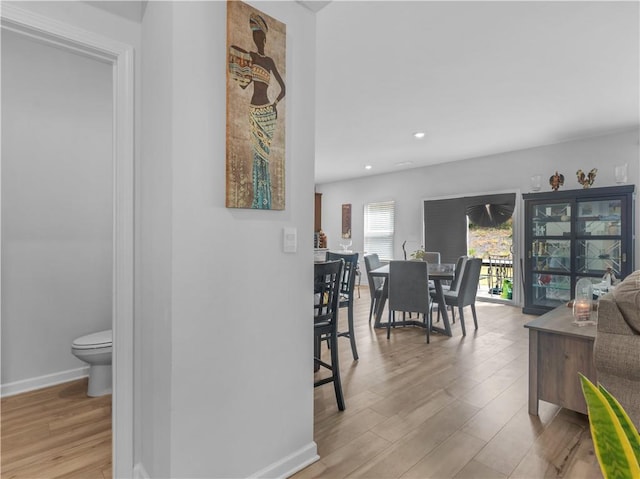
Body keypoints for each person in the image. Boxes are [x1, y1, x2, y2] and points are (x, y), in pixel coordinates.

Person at [229, 13, 285, 209]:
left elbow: (283, 89)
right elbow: (244, 84)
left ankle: (265, 199)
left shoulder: (269, 61)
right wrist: (241, 71)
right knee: (257, 154)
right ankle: (258, 200)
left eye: (259, 34)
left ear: (265, 37)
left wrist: (275, 104)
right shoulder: (250, 57)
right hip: (254, 109)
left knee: (265, 155)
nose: (256, 38)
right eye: (254, 35)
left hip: (268, 113)